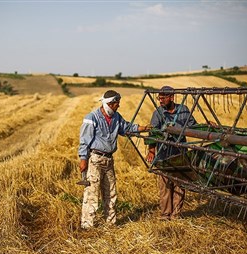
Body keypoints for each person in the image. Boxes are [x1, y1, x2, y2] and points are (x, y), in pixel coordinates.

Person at [78, 90, 149, 229]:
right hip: (95, 159)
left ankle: (111, 223)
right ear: (109, 104)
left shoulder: (116, 117)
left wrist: (144, 128)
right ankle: (87, 226)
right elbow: (84, 140)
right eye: (117, 103)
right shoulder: (91, 118)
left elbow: (127, 128)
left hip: (109, 160)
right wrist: (83, 159)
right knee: (92, 193)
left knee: (111, 192)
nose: (118, 106)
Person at [146, 86, 197, 221]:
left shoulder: (183, 110)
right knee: (165, 185)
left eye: (163, 98)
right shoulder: (158, 113)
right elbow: (153, 132)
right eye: (159, 98)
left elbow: (194, 126)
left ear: (171, 97)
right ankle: (165, 214)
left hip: (180, 153)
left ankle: (176, 214)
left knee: (179, 184)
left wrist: (208, 126)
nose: (160, 101)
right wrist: (152, 150)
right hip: (163, 153)